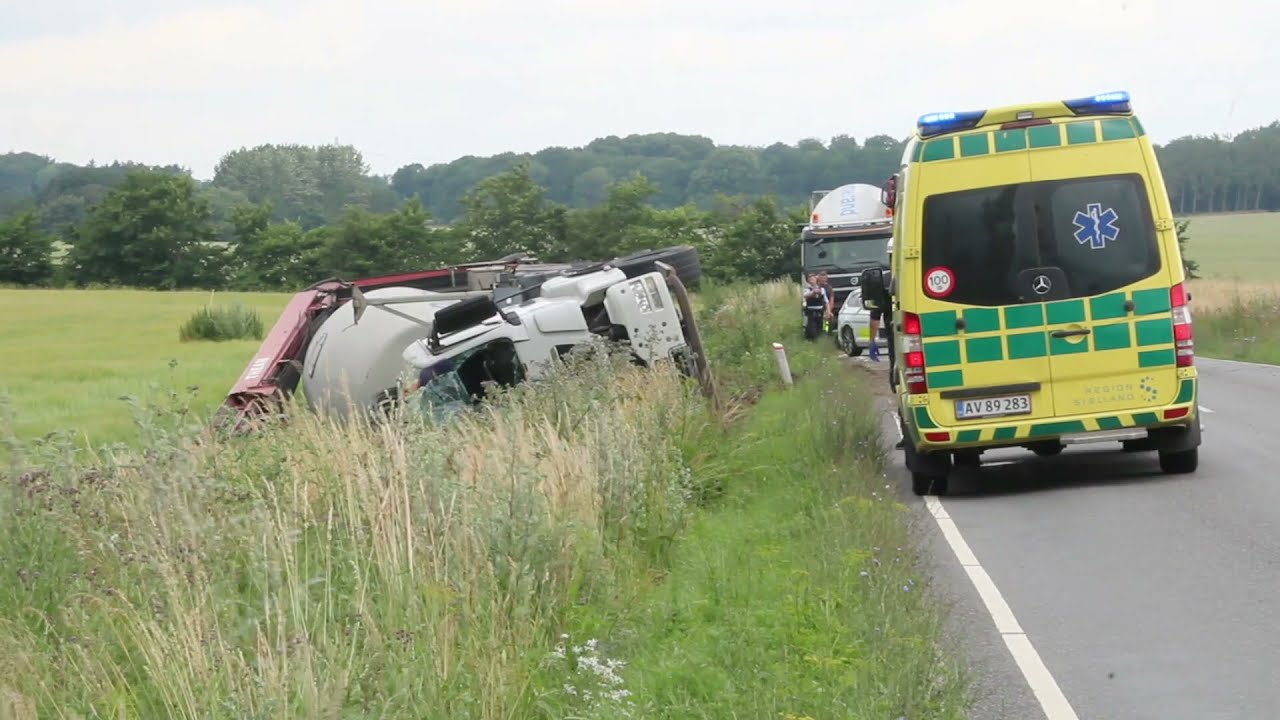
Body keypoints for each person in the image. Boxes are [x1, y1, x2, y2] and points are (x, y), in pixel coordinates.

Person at [802, 273, 827, 340]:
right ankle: (813, 340)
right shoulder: (807, 289)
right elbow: (805, 295)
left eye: (813, 279)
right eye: (810, 279)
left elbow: (825, 300)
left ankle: (822, 338)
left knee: (822, 327)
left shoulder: (822, 289)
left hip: (820, 311)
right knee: (812, 328)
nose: (811, 280)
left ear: (816, 280)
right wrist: (813, 292)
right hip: (811, 311)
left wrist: (827, 311)